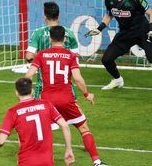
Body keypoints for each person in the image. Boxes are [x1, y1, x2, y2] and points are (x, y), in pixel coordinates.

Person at [26, 26, 107, 166]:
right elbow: (78, 78)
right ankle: (97, 162)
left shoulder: (41, 55)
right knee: (83, 128)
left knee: (41, 133)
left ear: (50, 38)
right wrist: (87, 94)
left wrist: (27, 92)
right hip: (66, 100)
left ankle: (35, 161)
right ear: (64, 38)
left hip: (47, 102)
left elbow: (29, 75)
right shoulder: (71, 56)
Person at [85, 0, 152, 90]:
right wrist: (99, 29)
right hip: (125, 33)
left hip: (143, 31)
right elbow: (109, 15)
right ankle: (118, 80)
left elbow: (151, 13)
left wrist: (151, 29)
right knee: (106, 59)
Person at [0, 77, 74, 166]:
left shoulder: (13, 112)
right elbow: (65, 126)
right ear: (32, 91)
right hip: (47, 161)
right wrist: (68, 149)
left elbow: (1, 141)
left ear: (16, 93)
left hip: (26, 161)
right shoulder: (46, 104)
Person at [25, 2, 79, 99]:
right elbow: (75, 59)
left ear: (45, 16)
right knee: (72, 112)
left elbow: (29, 56)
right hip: (66, 87)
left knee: (43, 112)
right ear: (58, 16)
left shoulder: (38, 33)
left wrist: (39, 62)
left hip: (44, 86)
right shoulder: (69, 33)